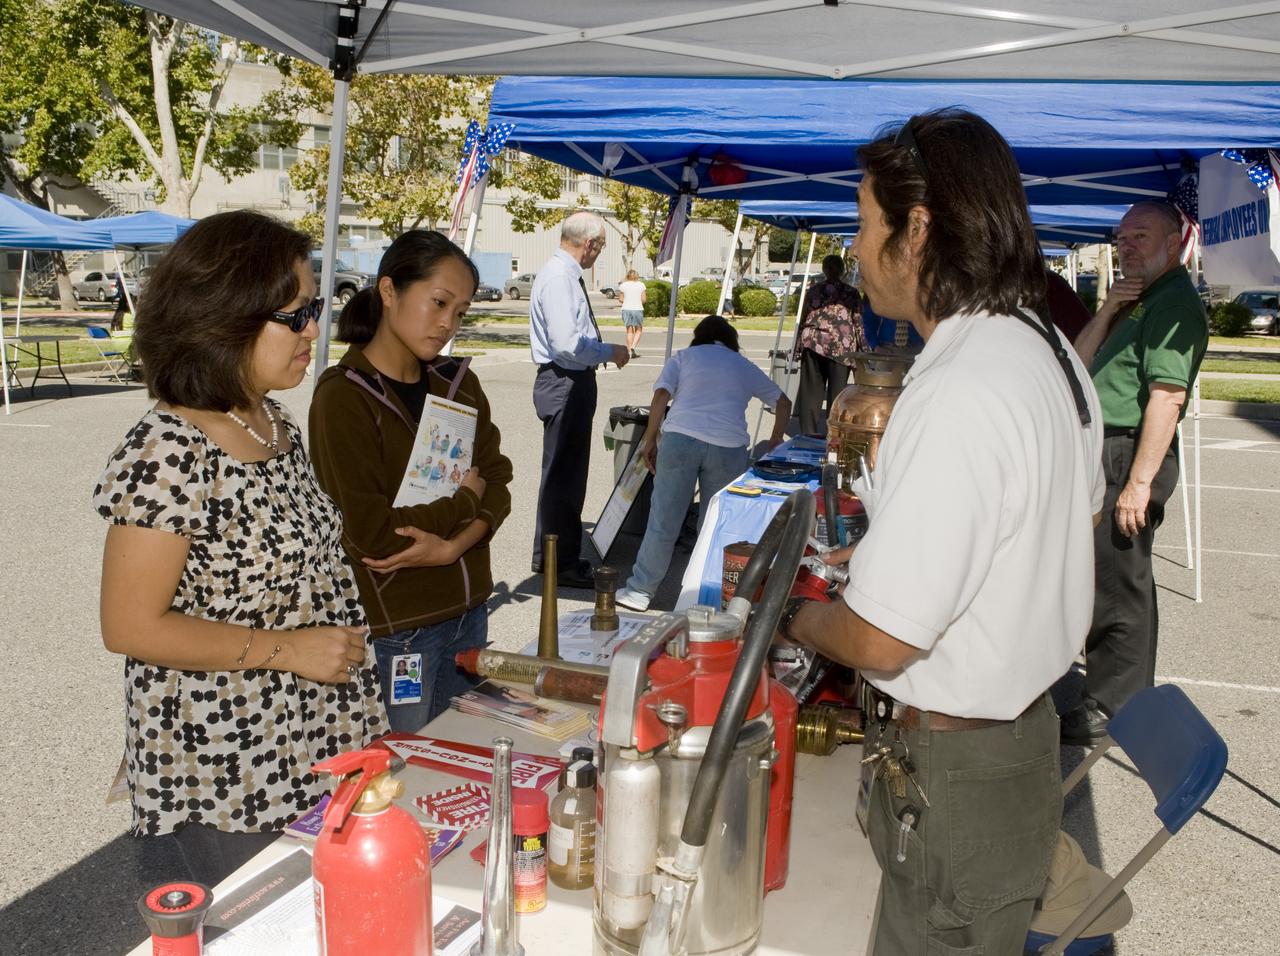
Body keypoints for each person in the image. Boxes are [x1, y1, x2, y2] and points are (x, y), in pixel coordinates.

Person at [778, 110, 1104, 955]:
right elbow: (1060, 520)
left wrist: (795, 616)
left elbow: (879, 640)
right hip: (1015, 748)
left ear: (917, 229)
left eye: (864, 222)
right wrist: (902, 553)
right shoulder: (1048, 348)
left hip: (957, 780)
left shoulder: (958, 384)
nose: (855, 247)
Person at [93, 210, 386, 887]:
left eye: (315, 308)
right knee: (271, 918)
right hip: (230, 758)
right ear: (224, 319)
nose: (314, 329)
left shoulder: (271, 421)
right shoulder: (168, 450)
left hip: (311, 731)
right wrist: (293, 650)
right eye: (296, 314)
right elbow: (130, 626)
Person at [310, 230, 513, 732]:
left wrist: (452, 547)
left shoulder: (459, 384)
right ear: (388, 290)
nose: (448, 323)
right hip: (401, 629)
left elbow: (498, 480)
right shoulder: (343, 397)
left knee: (463, 752)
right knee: (404, 762)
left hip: (469, 612)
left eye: (460, 312)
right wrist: (464, 502)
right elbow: (372, 534)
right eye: (439, 302)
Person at [1061, 202, 1208, 745]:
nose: (1126, 246)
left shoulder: (1174, 302)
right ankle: (1108, 694)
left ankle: (1114, 706)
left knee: (1120, 585)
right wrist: (1106, 309)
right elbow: (1077, 365)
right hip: (1106, 450)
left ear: (1173, 243)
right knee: (1104, 579)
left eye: (1140, 236)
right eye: (1121, 238)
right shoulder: (1138, 297)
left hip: (1130, 454)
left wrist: (1139, 485)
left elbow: (1167, 397)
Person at [616, 316, 790, 612]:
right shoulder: (742, 364)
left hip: (680, 439)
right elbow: (783, 402)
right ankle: (705, 594)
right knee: (716, 525)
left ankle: (640, 591)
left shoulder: (684, 357)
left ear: (699, 336)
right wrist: (775, 439)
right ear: (731, 339)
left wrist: (650, 439)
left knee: (663, 520)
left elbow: (661, 396)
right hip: (728, 446)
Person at [528, 211, 630, 589]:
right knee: (565, 477)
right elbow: (567, 343)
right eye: (600, 246)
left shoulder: (562, 275)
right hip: (565, 380)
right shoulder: (560, 278)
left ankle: (550, 555)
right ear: (589, 244)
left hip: (566, 379)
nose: (598, 254)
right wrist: (608, 351)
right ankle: (562, 562)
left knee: (560, 474)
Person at [791, 254, 865, 434]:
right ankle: (833, 435)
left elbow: (804, 317)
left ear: (824, 270)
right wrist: (863, 349)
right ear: (843, 271)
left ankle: (808, 434)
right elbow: (858, 322)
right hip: (840, 345)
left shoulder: (813, 290)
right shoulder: (851, 292)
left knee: (810, 392)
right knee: (837, 394)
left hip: (813, 342)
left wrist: (797, 348)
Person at [616, 269, 648, 357]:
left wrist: (628, 301)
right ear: (637, 276)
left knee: (629, 330)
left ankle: (629, 351)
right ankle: (633, 346)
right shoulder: (641, 285)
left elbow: (621, 299)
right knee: (639, 329)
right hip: (637, 308)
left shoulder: (623, 285)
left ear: (627, 276)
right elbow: (644, 299)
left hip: (626, 309)